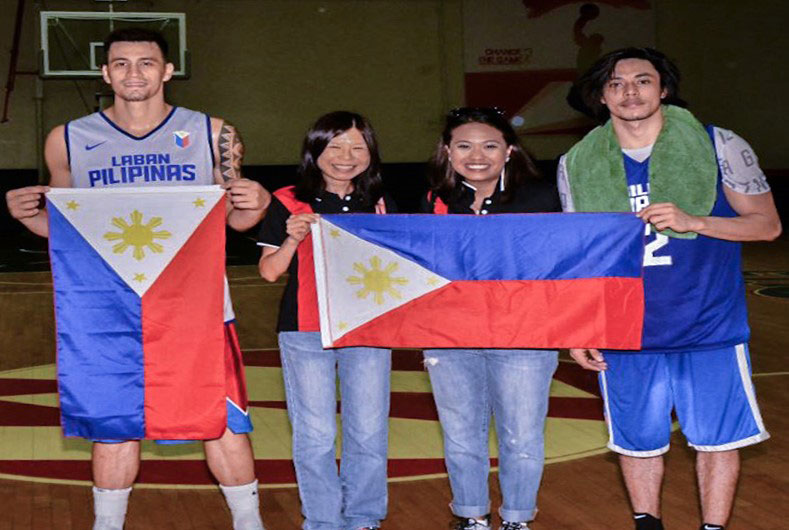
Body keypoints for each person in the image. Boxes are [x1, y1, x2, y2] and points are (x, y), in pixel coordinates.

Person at [4, 28, 270, 530]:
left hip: (197, 305)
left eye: (146, 63)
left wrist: (255, 208)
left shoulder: (214, 133)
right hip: (108, 309)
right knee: (112, 423)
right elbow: (68, 232)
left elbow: (235, 221)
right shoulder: (68, 138)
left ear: (168, 71)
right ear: (105, 74)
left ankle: (249, 522)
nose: (133, 73)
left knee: (222, 418)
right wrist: (28, 218)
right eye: (121, 64)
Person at [558, 47, 781, 530]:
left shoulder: (718, 143)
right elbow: (582, 257)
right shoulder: (577, 162)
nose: (630, 91)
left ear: (664, 89)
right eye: (616, 84)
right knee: (637, 442)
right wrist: (580, 325)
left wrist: (694, 221)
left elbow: (766, 226)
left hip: (708, 324)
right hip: (626, 329)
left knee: (717, 441)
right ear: (601, 96)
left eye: (642, 80)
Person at [421, 107, 561, 530]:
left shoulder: (543, 198)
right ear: (448, 151)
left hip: (524, 337)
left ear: (509, 151)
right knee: (461, 434)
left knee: (521, 436)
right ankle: (471, 515)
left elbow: (563, 265)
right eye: (464, 146)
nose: (476, 155)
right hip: (451, 337)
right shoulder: (434, 200)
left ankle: (518, 517)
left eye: (489, 145)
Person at [257, 111, 394, 530]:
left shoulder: (382, 202)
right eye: (334, 146)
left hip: (368, 328)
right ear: (315, 150)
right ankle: (321, 520)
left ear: (370, 154)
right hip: (304, 328)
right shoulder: (286, 199)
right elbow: (268, 271)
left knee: (368, 432)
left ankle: (364, 517)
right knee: (315, 436)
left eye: (357, 147)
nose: (346, 156)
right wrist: (291, 238)